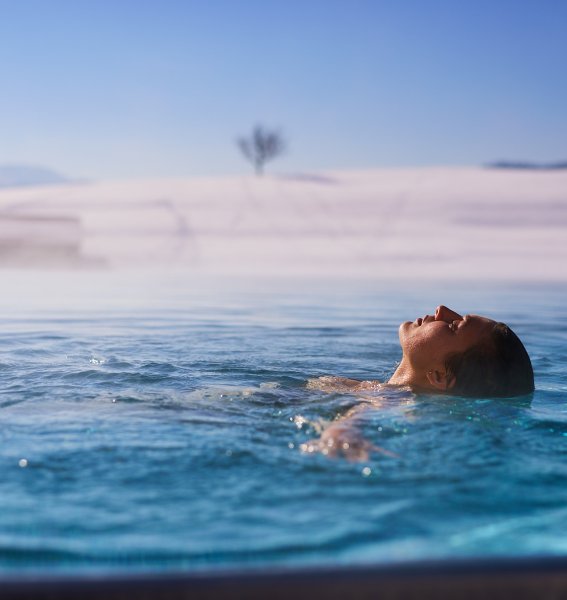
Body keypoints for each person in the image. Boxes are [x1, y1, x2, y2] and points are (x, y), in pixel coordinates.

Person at [304, 305, 534, 460]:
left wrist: (340, 436)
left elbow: (352, 423)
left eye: (453, 326)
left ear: (439, 376)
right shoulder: (375, 389)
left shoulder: (391, 399)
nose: (441, 310)